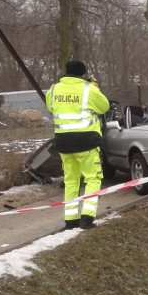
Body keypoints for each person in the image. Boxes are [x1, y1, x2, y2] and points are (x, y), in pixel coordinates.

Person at [45, 60, 110, 230]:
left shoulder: (53, 90)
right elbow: (104, 107)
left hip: (64, 142)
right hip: (86, 141)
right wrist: (94, 86)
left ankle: (71, 220)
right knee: (93, 178)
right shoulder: (89, 89)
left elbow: (51, 108)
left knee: (71, 181)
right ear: (83, 73)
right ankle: (87, 219)